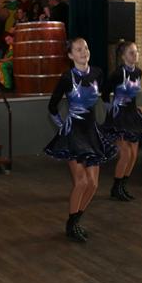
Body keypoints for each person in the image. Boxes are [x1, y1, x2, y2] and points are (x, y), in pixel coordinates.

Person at [44, 38, 118, 242]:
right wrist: (63, 126)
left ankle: (75, 221)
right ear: (70, 55)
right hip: (73, 133)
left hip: (91, 132)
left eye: (85, 48)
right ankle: (71, 223)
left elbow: (103, 96)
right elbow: (52, 107)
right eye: (78, 49)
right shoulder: (67, 77)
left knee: (93, 184)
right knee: (82, 181)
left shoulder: (97, 73)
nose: (84, 52)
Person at [100, 40, 142, 201]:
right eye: (131, 52)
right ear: (123, 56)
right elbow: (104, 93)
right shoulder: (117, 73)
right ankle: (116, 187)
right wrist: (111, 109)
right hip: (119, 117)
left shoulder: (139, 72)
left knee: (134, 154)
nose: (135, 55)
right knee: (126, 153)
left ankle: (123, 186)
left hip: (133, 116)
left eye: (136, 52)